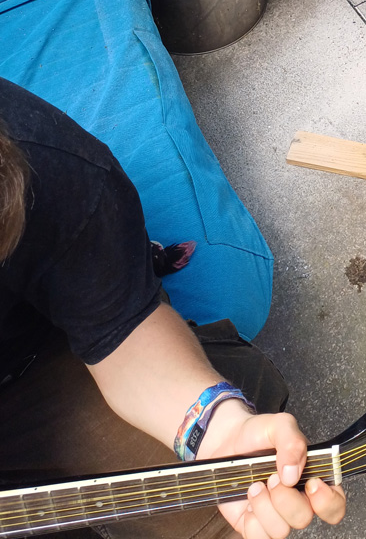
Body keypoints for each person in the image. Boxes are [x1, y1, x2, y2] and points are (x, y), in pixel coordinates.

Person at [0, 77, 346, 537]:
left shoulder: (49, 172)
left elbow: (120, 329)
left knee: (219, 498)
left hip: (25, 368)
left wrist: (214, 433)